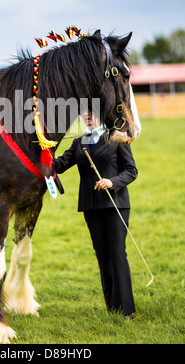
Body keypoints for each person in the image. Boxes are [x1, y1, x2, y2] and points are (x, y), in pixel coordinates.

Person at [54, 111, 138, 319]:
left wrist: (112, 182)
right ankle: (112, 308)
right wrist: (43, 155)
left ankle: (127, 310)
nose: (86, 116)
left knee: (117, 253)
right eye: (83, 113)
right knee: (102, 256)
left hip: (114, 205)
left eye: (91, 113)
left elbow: (131, 170)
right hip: (91, 207)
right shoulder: (79, 142)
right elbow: (60, 165)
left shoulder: (117, 137)